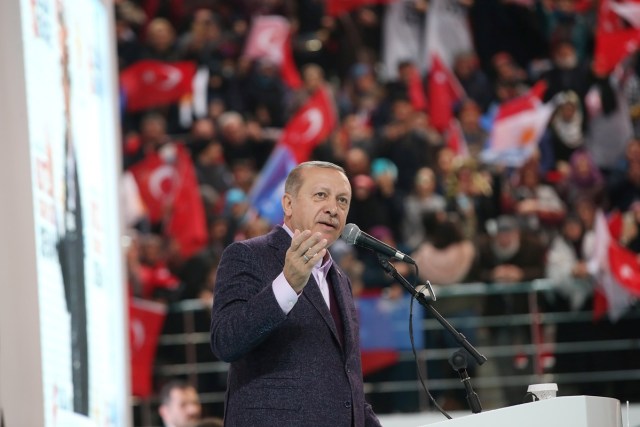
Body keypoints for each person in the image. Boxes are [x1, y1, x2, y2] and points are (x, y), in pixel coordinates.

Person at [210, 161, 382, 426]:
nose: (333, 209)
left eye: (343, 200)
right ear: (288, 205)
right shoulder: (247, 255)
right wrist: (287, 285)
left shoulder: (340, 280)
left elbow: (346, 381)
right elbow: (226, 341)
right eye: (320, 195)